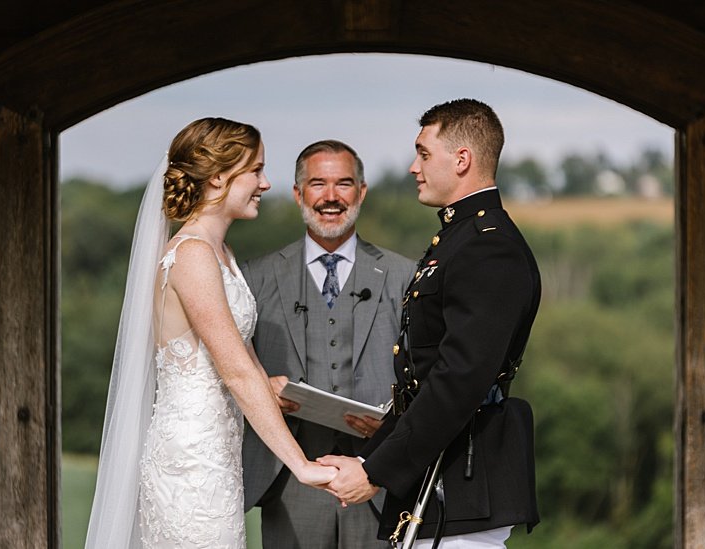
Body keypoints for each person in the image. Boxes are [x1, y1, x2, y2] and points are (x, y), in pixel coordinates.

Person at [85, 118, 336, 549]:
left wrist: (272, 387)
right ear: (219, 175)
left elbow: (245, 361)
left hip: (217, 456)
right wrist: (301, 465)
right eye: (255, 170)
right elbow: (235, 372)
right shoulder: (193, 255)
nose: (266, 183)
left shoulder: (222, 253)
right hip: (191, 464)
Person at [319, 99, 542, 548]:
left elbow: (458, 381)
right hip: (439, 478)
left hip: (465, 481)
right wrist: (367, 458)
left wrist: (375, 472)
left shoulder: (487, 248)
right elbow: (420, 383)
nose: (412, 167)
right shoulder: (460, 238)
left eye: (423, 153)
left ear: (462, 160)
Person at [240, 140, 415, 548]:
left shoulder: (404, 276)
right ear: (298, 193)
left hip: (380, 485)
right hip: (289, 487)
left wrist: (392, 423)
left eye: (344, 184)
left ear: (362, 192)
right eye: (318, 184)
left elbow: (427, 377)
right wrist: (264, 389)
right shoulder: (256, 276)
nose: (331, 197)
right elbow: (229, 371)